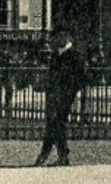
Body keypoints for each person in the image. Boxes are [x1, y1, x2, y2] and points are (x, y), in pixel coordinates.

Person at [34, 30, 86, 167]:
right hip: (55, 95)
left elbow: (79, 77)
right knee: (55, 124)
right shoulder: (58, 55)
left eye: (57, 37)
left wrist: (69, 92)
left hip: (65, 95)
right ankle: (60, 155)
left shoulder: (74, 55)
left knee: (55, 123)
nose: (54, 40)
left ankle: (48, 155)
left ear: (65, 37)